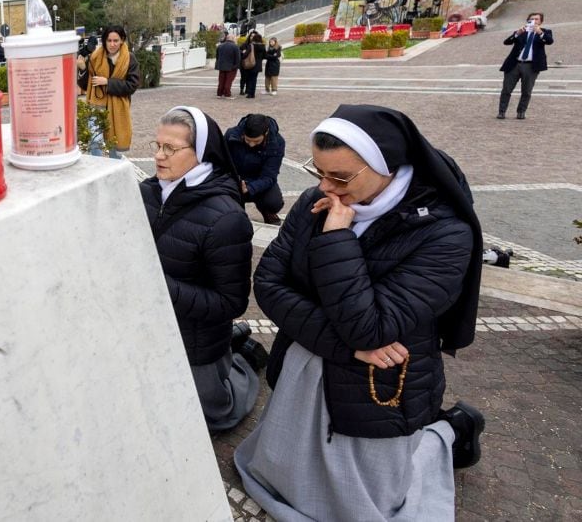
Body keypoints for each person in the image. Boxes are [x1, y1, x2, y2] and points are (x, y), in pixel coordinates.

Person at [235, 104, 486, 521]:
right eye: (318, 173)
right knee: (289, 462)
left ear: (386, 165)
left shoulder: (446, 234)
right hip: (316, 362)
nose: (327, 188)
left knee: (366, 494)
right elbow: (268, 285)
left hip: (380, 385)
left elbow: (371, 328)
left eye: (341, 176)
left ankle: (452, 430)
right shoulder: (317, 200)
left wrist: (337, 238)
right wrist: (344, 347)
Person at [141, 106, 263, 432]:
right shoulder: (146, 192)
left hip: (196, 340)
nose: (158, 156)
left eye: (171, 148)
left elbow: (231, 303)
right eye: (156, 146)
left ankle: (243, 362)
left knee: (215, 417)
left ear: (200, 152)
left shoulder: (226, 219)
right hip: (151, 328)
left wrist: (160, 286)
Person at [76, 25, 140, 157]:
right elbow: (86, 84)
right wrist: (83, 69)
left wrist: (108, 82)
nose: (112, 44)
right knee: (95, 141)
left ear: (122, 40)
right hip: (96, 106)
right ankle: (98, 169)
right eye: (109, 40)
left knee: (114, 148)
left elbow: (132, 85)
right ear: (104, 41)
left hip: (117, 108)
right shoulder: (95, 57)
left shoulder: (129, 59)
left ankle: (115, 172)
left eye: (115, 40)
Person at [225, 114, 285, 225]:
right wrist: (233, 181)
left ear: (266, 133)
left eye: (257, 141)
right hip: (235, 178)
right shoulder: (231, 135)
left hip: (260, 179)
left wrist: (250, 187)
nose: (252, 145)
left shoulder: (277, 142)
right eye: (248, 140)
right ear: (243, 133)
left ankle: (268, 212)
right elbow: (222, 162)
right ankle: (237, 216)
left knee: (273, 202)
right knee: (232, 212)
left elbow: (269, 176)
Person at [497, 12, 554, 120]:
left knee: (526, 91)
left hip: (531, 66)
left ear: (541, 22)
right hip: (514, 64)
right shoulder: (522, 31)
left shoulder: (545, 32)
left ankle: (521, 111)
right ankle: (502, 111)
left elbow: (550, 41)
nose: (534, 21)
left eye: (536, 19)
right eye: (531, 19)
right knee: (506, 90)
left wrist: (540, 33)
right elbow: (506, 42)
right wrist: (517, 33)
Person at [214, 32, 241, 99]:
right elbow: (238, 58)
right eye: (234, 38)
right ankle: (227, 94)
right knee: (228, 81)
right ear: (232, 38)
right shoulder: (235, 46)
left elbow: (217, 56)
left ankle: (219, 93)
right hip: (231, 67)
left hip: (221, 66)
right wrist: (236, 66)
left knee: (221, 80)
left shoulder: (220, 46)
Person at [239, 31, 265, 98]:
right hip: (258, 65)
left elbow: (245, 54)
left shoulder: (252, 45)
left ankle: (250, 94)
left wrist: (242, 56)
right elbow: (265, 56)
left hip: (251, 64)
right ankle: (252, 93)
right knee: (254, 79)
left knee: (250, 79)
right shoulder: (262, 46)